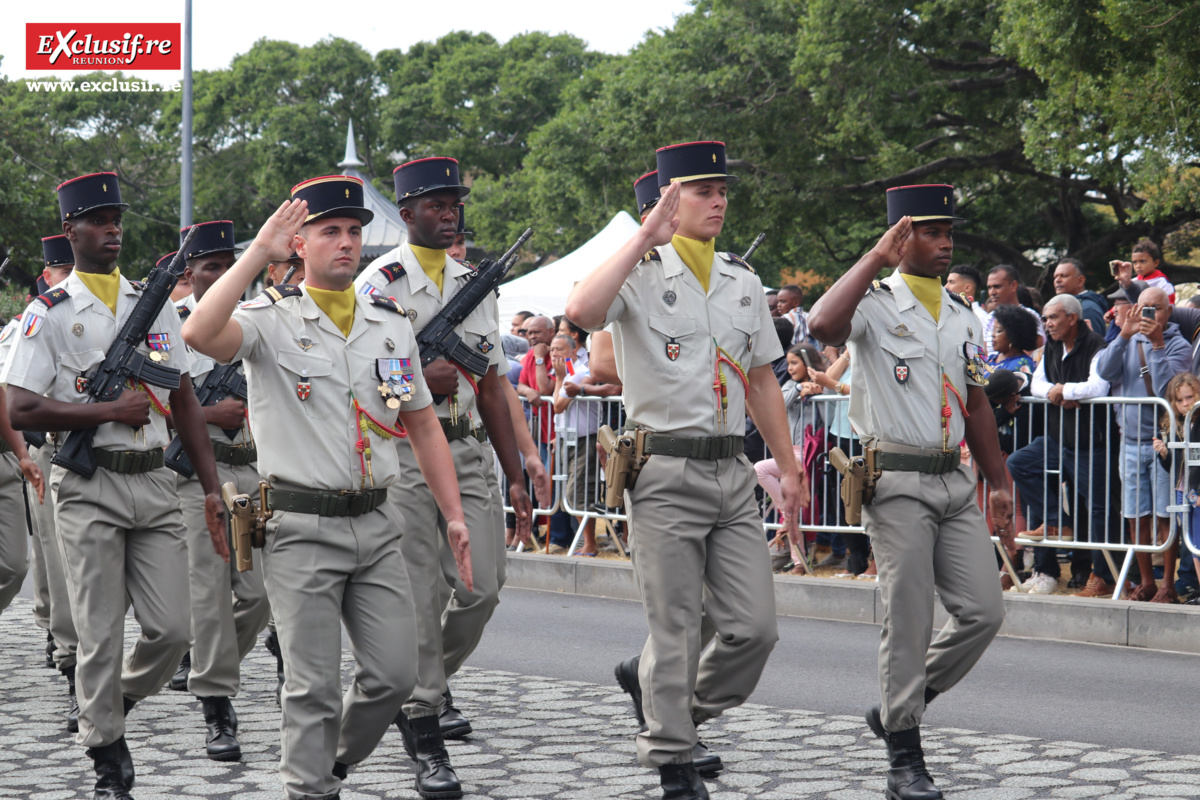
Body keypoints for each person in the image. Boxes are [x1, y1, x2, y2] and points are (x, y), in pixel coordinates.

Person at [182, 175, 473, 800]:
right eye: (329, 232)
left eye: (354, 232)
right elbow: (200, 336)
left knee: (395, 675)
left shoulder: (389, 325)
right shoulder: (270, 320)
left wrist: (453, 512)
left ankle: (326, 764)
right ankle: (311, 787)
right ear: (301, 244)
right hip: (299, 526)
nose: (345, 242)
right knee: (311, 684)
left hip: (376, 522)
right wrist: (259, 252)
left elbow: (420, 422)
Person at [566, 140, 804, 800]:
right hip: (664, 471)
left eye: (722, 189)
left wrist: (788, 467)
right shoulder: (638, 273)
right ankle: (673, 761)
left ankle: (667, 707)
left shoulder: (741, 280)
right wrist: (646, 234)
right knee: (673, 629)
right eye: (703, 190)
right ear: (670, 201)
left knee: (754, 631)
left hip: (730, 472)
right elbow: (581, 314)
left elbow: (761, 378)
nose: (719, 200)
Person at [3, 171, 228, 800]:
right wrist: (105, 411)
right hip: (90, 485)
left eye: (117, 220)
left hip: (155, 482)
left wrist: (211, 487)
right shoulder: (46, 314)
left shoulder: (149, 302)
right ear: (71, 231)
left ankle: (109, 702)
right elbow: (19, 407)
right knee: (98, 631)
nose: (112, 230)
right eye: (98, 221)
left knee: (173, 631)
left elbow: (182, 397)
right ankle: (107, 754)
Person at [807, 183, 1009, 800]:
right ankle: (904, 757)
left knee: (983, 612)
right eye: (930, 232)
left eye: (949, 234)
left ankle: (902, 703)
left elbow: (975, 401)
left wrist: (998, 480)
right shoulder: (874, 302)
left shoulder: (962, 314)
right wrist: (873, 257)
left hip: (953, 478)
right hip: (893, 480)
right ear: (900, 238)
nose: (945, 244)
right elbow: (821, 324)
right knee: (911, 616)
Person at [354, 155, 535, 798]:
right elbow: (358, 371)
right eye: (435, 204)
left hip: (467, 449)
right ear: (406, 215)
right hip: (402, 454)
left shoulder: (475, 286)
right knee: (420, 595)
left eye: (454, 203)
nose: (449, 211)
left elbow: (489, 383)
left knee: (482, 588)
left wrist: (516, 474)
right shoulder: (377, 282)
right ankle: (423, 721)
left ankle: (411, 680)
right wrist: (409, 382)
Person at [169, 220, 272, 761]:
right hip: (195, 477)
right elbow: (149, 406)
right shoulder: (167, 325)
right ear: (189, 272)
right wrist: (210, 412)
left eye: (228, 265)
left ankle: (206, 659)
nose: (221, 274)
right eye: (211, 266)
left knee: (256, 595)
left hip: (250, 474)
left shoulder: (255, 321)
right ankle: (216, 705)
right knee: (209, 593)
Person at [6, 235, 79, 729]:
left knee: (69, 568)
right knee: (51, 560)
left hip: (110, 457)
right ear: (46, 275)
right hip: (53, 450)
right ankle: (70, 656)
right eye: (61, 270)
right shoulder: (31, 323)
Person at [1006, 294, 1116, 596]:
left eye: (1053, 317)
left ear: (1072, 318)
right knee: (1019, 462)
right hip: (1057, 439)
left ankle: (1103, 575)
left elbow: (1098, 385)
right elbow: (1037, 383)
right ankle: (1057, 522)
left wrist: (1066, 390)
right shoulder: (1052, 345)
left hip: (1090, 443)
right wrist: (1057, 391)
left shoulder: (1096, 344)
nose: (1047, 324)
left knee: (1098, 510)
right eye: (1045, 318)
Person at [1096, 287, 1191, 602]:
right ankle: (1147, 582)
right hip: (1130, 441)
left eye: (1157, 309)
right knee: (1136, 515)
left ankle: (1167, 585)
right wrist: (1123, 335)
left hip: (1164, 444)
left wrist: (1158, 345)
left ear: (1168, 311)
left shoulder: (1178, 344)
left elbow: (1170, 392)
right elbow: (1105, 373)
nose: (1150, 315)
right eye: (1144, 308)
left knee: (1165, 515)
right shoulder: (1128, 339)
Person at [755, 342, 828, 574]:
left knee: (792, 505)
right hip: (789, 453)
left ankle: (799, 562)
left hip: (810, 453)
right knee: (760, 471)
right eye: (787, 363)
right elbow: (781, 401)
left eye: (794, 363)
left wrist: (816, 389)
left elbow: (828, 415)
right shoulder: (789, 385)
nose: (789, 368)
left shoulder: (823, 381)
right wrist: (799, 390)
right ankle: (784, 512)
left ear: (807, 364)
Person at [1153, 373, 1200, 605]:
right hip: (1182, 489)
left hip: (1195, 490)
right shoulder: (1175, 424)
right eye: (1180, 400)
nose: (1185, 404)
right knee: (1191, 541)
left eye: (1189, 397)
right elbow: (1173, 464)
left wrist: (1197, 491)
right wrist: (1164, 453)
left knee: (1197, 540)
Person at [984, 264, 1044, 354]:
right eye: (989, 287)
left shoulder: (1029, 315)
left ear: (1013, 285)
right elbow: (985, 353)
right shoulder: (989, 318)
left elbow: (1035, 353)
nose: (992, 292)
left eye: (997, 286)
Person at [1052, 258, 1108, 333]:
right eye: (1055, 277)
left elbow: (1095, 343)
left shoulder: (1087, 309)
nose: (1057, 280)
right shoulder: (1070, 305)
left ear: (1080, 280)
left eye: (1064, 276)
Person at [985, 304, 1037, 374]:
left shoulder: (1023, 363)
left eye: (998, 331)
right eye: (993, 330)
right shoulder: (991, 359)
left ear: (1013, 335)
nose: (993, 335)